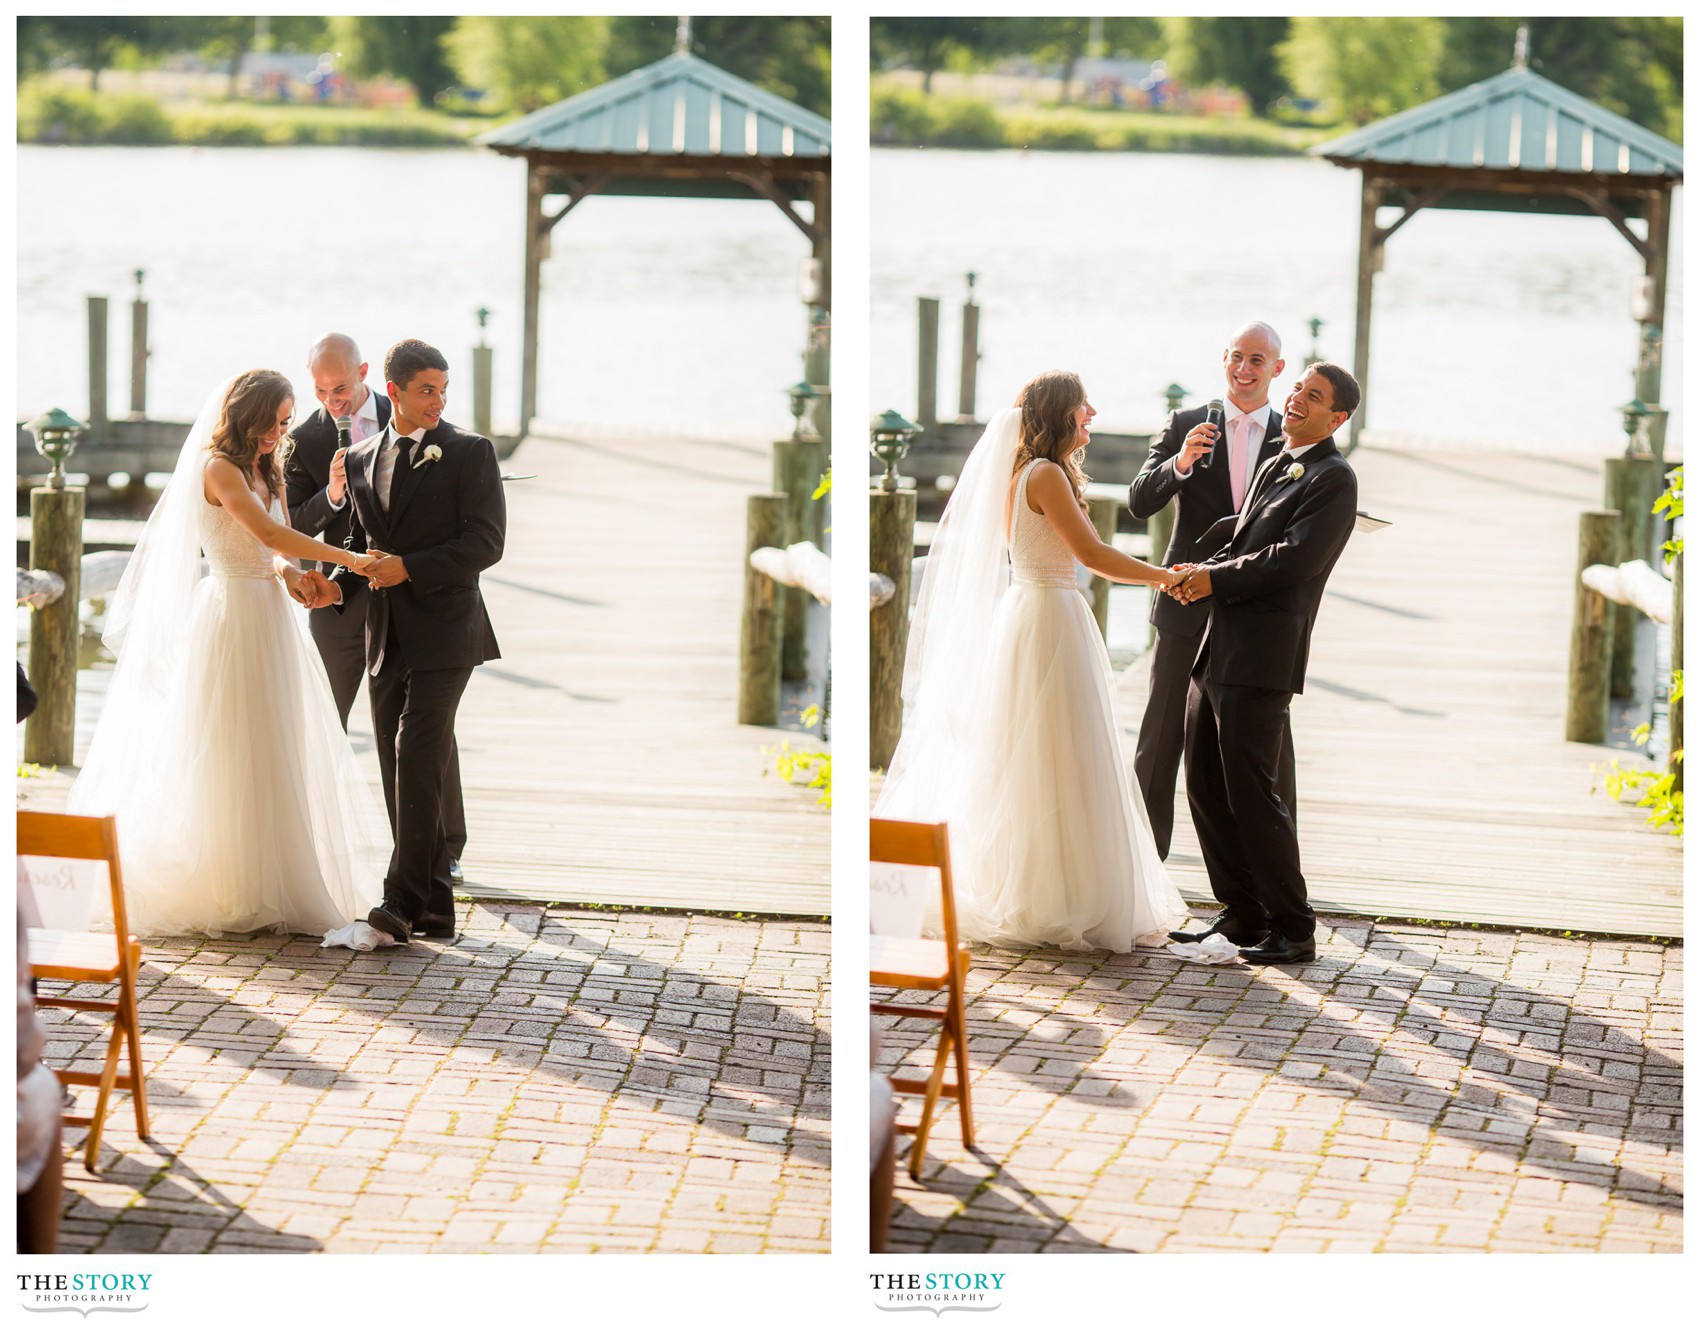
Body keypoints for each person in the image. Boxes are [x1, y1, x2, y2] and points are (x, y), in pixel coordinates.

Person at [67, 370, 390, 936]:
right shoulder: (217, 468)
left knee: (274, 739)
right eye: (271, 423)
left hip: (270, 612)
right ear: (245, 416)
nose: (278, 434)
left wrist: (297, 577)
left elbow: (279, 545)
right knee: (227, 740)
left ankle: (272, 877)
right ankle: (225, 880)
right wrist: (355, 560)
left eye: (286, 423)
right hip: (229, 614)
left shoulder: (270, 465)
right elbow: (264, 534)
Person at [875, 370, 1187, 951]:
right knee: (1056, 749)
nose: (1092, 412)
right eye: (1082, 405)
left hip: (1033, 611)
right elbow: (1090, 553)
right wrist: (1165, 576)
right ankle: (1056, 894)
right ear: (1059, 413)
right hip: (1049, 615)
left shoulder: (1025, 473)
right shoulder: (1043, 475)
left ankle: (1050, 885)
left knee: (1040, 752)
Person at [305, 339, 505, 944]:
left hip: (449, 633)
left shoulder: (471, 452)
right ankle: (436, 909)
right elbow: (365, 549)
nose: (438, 401)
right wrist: (333, 586)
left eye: (443, 390)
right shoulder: (362, 457)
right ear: (393, 390)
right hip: (384, 635)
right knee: (397, 768)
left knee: (417, 751)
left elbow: (486, 544)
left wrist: (410, 567)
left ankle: (398, 899)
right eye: (426, 390)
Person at [1167, 363, 1361, 965]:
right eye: (1298, 388)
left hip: (1263, 655)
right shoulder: (1280, 459)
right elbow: (1248, 541)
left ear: (1339, 417)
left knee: (1253, 792)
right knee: (1203, 781)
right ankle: (1243, 912)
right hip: (1218, 644)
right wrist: (1196, 568)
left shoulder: (1334, 478)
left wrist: (1212, 580)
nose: (1297, 399)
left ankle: (1293, 926)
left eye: (1314, 396)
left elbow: (1292, 560)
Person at [284, 333, 469, 881]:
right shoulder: (304, 440)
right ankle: (314, 840)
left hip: (408, 598)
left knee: (426, 726)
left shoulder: (413, 409)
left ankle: (444, 846)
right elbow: (290, 523)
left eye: (340, 388)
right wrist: (334, 495)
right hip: (338, 600)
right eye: (320, 391)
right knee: (324, 716)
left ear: (365, 374)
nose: (331, 401)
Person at [1128, 321, 1296, 859]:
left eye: (1256, 360)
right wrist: (1180, 465)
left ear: (1278, 369)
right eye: (1236, 357)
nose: (1244, 370)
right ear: (1224, 359)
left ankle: (1276, 873)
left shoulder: (1292, 436)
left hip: (1254, 610)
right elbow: (1138, 500)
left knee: (1268, 744)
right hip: (1183, 599)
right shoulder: (1185, 423)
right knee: (1159, 738)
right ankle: (1142, 866)